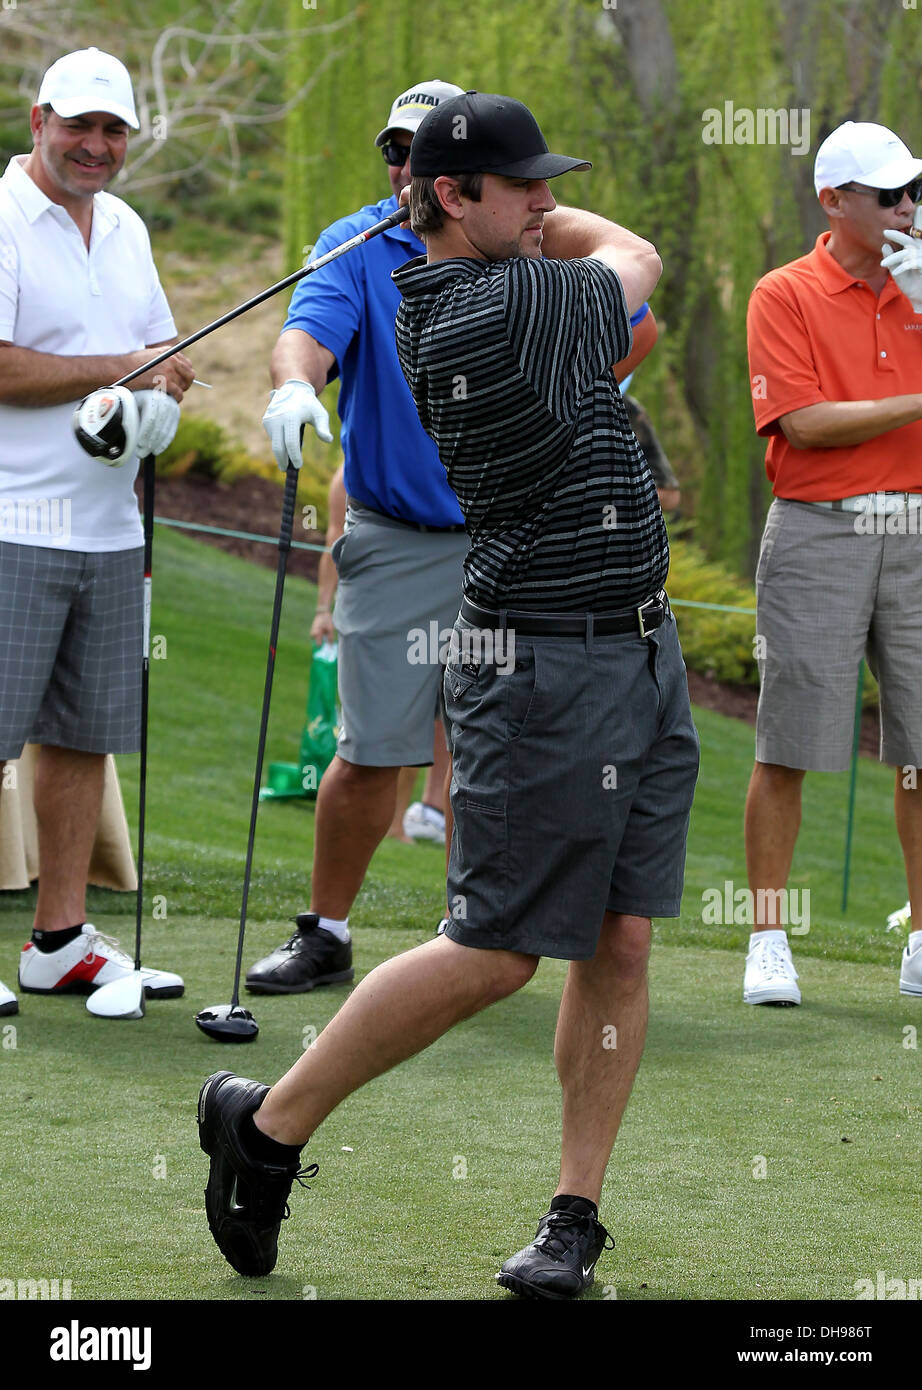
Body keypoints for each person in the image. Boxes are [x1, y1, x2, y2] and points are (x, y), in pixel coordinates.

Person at [198, 91, 699, 1302]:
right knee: (496, 951)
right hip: (541, 665)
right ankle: (266, 1126)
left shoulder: (503, 267)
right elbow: (638, 256)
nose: (541, 199)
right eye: (517, 183)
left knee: (620, 934)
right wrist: (538, 219)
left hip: (638, 648)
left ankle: (573, 1213)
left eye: (545, 181)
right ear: (450, 199)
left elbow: (602, 270)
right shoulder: (483, 306)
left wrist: (494, 202)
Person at [246, 80, 470, 995]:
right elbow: (308, 332)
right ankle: (327, 932)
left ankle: (478, 928)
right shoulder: (357, 241)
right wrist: (295, 384)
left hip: (516, 534)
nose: (405, 166)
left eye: (427, 150)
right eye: (396, 148)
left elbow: (633, 324)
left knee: (507, 750)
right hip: (399, 535)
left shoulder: (525, 231)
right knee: (371, 753)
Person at [0, 48, 193, 1015]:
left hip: (110, 526)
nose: (97, 145)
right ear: (40, 121)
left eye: (113, 129)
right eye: (80, 125)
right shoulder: (0, 218)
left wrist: (161, 382)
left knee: (81, 737)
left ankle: (59, 940)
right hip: (12, 519)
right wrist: (121, 364)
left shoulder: (124, 227)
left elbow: (158, 348)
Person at [743, 120, 922, 1006]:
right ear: (834, 203)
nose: (906, 208)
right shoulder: (785, 293)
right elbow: (805, 423)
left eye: (912, 192)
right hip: (820, 528)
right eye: (888, 196)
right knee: (789, 746)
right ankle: (769, 937)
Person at [309, 462, 450, 845]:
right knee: (402, 723)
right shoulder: (350, 477)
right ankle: (396, 822)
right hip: (396, 606)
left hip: (444, 599)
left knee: (448, 721)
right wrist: (324, 609)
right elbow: (334, 541)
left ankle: (426, 811)